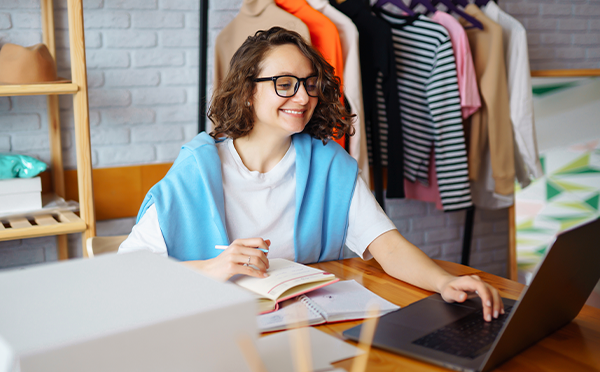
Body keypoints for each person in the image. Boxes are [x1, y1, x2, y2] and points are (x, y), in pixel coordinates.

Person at [119, 27, 504, 322]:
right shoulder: (196, 171)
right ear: (247, 91)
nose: (303, 97)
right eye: (284, 84)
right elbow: (128, 274)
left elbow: (386, 244)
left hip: (307, 326)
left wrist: (443, 282)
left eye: (310, 84)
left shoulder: (328, 163)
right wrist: (212, 268)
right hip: (216, 329)